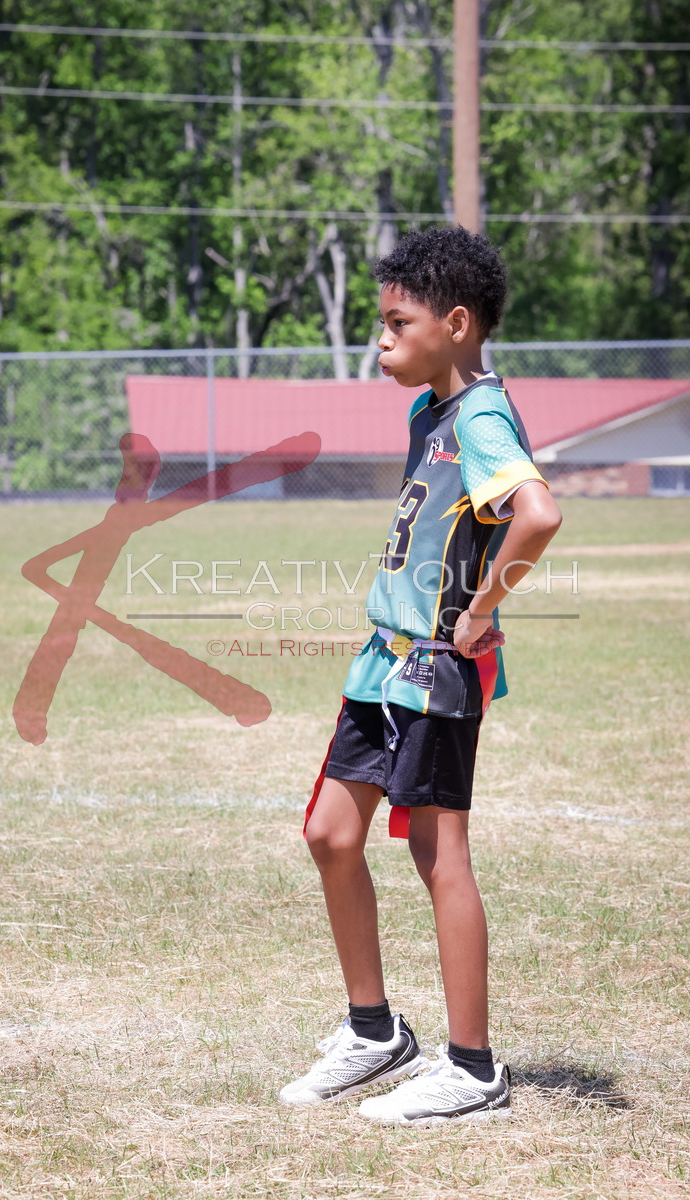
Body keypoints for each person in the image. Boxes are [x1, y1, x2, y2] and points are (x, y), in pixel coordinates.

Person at [279, 226, 562, 1126]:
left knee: (440, 856)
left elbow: (538, 514)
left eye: (398, 324)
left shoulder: (480, 416)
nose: (381, 341)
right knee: (331, 834)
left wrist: (478, 612)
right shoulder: (431, 413)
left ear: (457, 323)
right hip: (383, 661)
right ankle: (374, 1033)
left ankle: (472, 1069)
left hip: (436, 669)